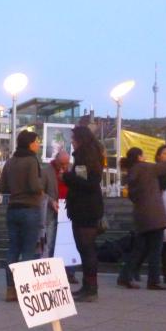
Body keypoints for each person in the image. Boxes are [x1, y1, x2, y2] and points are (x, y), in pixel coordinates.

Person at [118, 146, 166, 291]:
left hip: (141, 215)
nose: (145, 157)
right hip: (154, 215)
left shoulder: (131, 173)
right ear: (139, 157)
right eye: (143, 155)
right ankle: (153, 280)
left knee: (139, 248)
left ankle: (125, 276)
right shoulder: (146, 168)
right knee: (156, 249)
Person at [0, 129, 44, 302]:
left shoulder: (10, 161)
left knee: (13, 249)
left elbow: (2, 186)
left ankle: (11, 289)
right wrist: (41, 188)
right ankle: (26, 289)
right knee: (28, 250)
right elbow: (34, 185)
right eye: (36, 141)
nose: (38, 144)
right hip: (29, 208)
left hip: (12, 209)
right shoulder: (32, 161)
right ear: (30, 143)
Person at [63, 125, 106, 302]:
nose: (72, 142)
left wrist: (66, 176)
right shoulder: (91, 156)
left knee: (86, 248)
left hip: (84, 209)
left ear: (81, 140)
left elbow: (87, 183)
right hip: (86, 207)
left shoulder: (84, 158)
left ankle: (90, 288)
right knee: (85, 249)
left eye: (73, 139)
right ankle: (88, 286)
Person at [133, 144, 166, 284]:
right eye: (165, 153)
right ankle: (135, 271)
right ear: (158, 156)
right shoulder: (153, 170)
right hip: (155, 210)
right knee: (148, 244)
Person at [41, 150, 79, 284]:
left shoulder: (72, 170)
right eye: (62, 163)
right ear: (56, 160)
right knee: (50, 242)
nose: (64, 166)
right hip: (53, 211)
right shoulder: (46, 171)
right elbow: (40, 191)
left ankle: (70, 272)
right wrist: (51, 201)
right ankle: (51, 272)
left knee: (69, 243)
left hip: (69, 210)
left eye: (66, 163)